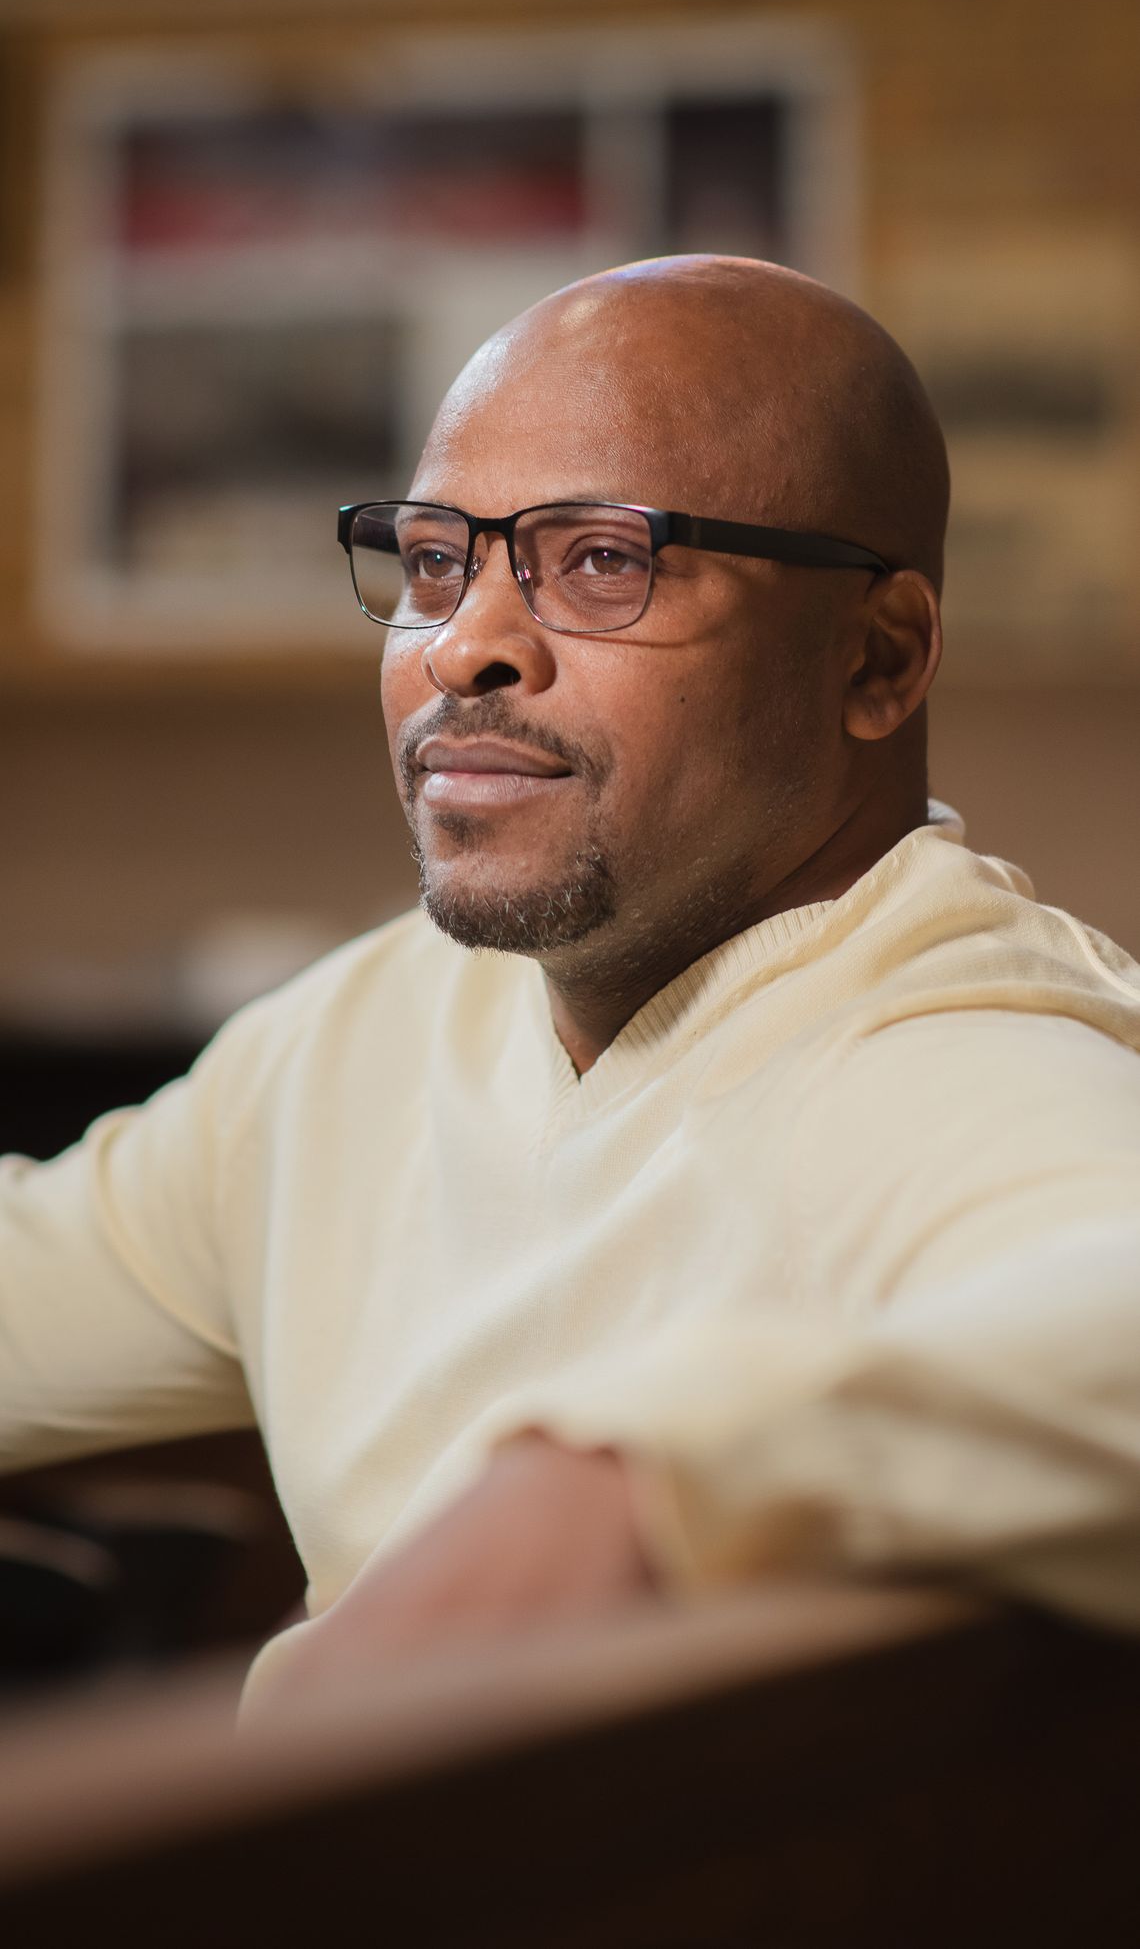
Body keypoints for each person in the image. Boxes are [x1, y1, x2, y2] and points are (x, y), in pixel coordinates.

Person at [2, 256, 1139, 1718]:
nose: (467, 644)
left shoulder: (956, 1051)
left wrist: (612, 1481)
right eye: (432, 561)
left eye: (604, 559)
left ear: (881, 657)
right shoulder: (359, 1037)